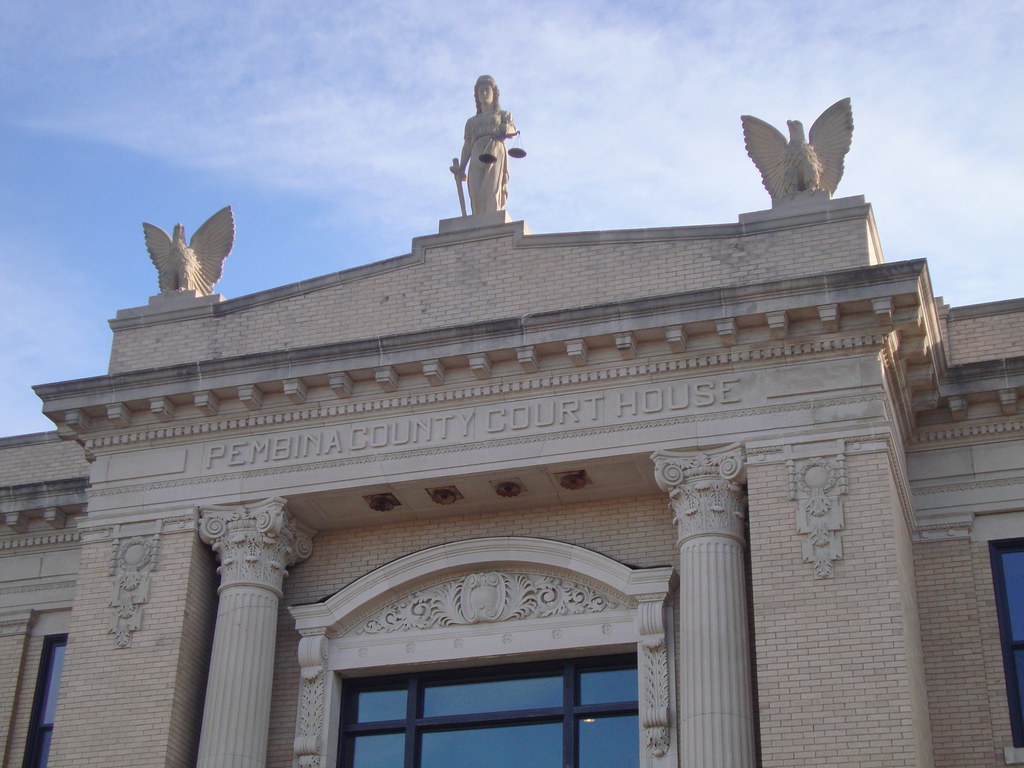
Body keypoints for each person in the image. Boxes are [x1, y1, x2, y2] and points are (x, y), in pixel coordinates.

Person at [451, 75, 517, 214]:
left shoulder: (503, 115)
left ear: (494, 93)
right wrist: (462, 168)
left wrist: (506, 128)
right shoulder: (471, 122)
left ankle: (493, 220)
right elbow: (467, 145)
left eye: (487, 90)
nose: (484, 93)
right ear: (477, 97)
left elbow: (512, 130)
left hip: (494, 152)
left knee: (491, 191)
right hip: (476, 153)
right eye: (481, 91)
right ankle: (478, 221)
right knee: (475, 193)